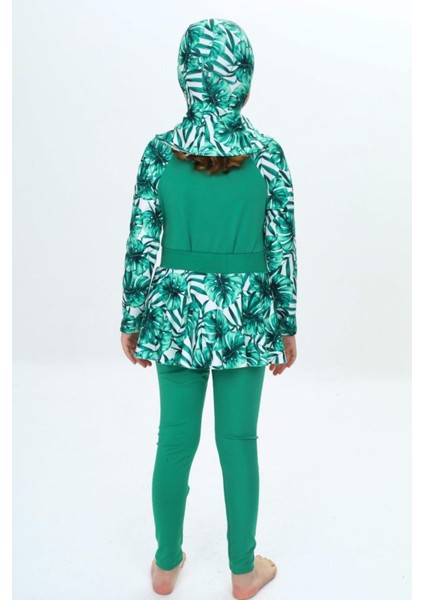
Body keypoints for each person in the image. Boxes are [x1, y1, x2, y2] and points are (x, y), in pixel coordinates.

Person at [120, 18, 298, 599]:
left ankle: (166, 564)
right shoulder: (267, 154)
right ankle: (243, 571)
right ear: (243, 75)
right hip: (246, 313)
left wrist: (132, 318)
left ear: (184, 74)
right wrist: (286, 324)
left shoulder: (158, 152)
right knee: (238, 442)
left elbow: (141, 243)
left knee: (174, 441)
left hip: (177, 312)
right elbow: (281, 248)